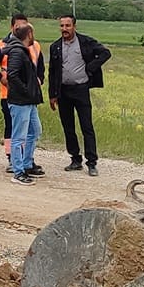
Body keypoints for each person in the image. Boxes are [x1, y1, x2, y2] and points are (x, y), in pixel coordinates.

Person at [45, 15, 113, 176]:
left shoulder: (85, 42)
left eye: (67, 26)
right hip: (63, 91)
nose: (64, 29)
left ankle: (91, 162)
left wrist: (91, 67)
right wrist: (52, 94)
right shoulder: (55, 46)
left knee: (86, 126)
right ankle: (75, 159)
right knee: (68, 127)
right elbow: (53, 72)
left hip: (81, 89)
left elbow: (105, 53)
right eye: (62, 26)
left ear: (74, 26)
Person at [0, 14, 44, 175]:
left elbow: (40, 66)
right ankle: (13, 161)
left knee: (32, 130)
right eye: (19, 26)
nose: (22, 29)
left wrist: (39, 80)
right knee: (14, 129)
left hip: (29, 95)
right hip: (10, 95)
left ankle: (26, 162)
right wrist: (1, 79)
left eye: (25, 26)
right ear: (12, 28)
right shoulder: (2, 46)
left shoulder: (35, 45)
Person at [1, 23, 45, 185]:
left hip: (29, 101)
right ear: (29, 34)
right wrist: (26, 91)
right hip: (20, 101)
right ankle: (18, 171)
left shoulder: (21, 50)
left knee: (35, 130)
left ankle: (26, 164)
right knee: (19, 136)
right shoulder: (18, 52)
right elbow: (12, 75)